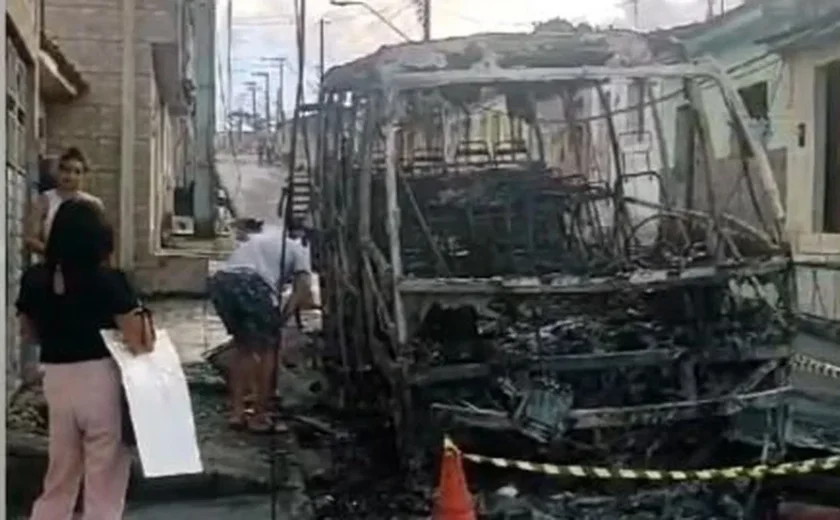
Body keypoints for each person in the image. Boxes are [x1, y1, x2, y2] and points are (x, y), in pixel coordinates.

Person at [17, 199, 153, 520]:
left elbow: (29, 333)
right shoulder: (109, 280)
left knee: (60, 474)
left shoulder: (35, 278)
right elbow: (140, 342)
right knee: (104, 478)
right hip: (101, 380)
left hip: (58, 381)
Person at [208, 219, 314, 433]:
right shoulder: (299, 249)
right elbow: (302, 292)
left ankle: (237, 413)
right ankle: (259, 416)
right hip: (252, 284)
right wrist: (282, 319)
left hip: (222, 283)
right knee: (268, 350)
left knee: (244, 348)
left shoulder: (258, 240)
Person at [26, 146, 104, 255]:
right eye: (66, 170)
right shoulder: (44, 201)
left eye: (77, 172)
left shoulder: (94, 204)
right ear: (57, 171)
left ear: (84, 175)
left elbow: (104, 242)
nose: (70, 176)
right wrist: (53, 254)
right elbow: (31, 239)